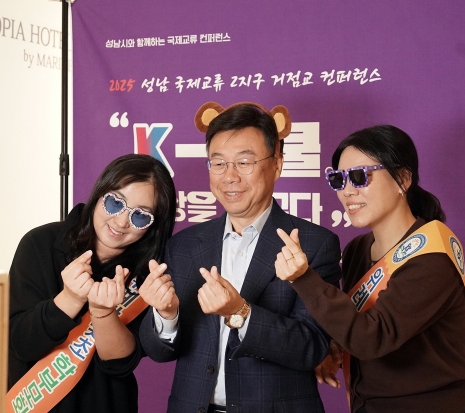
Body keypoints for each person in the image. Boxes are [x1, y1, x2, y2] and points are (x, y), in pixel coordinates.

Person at [138, 101, 342, 413]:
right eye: (218, 163)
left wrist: (241, 312)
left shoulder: (313, 244)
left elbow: (312, 347)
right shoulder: (184, 246)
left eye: (244, 162)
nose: (229, 176)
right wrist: (166, 315)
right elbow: (160, 352)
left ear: (277, 165)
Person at [275, 125, 465, 413]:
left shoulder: (432, 254)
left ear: (402, 179)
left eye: (359, 176)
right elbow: (356, 322)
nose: (347, 191)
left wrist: (304, 278)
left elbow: (371, 338)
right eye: (338, 179)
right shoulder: (358, 249)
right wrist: (335, 348)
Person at [7, 154, 176, 413]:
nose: (121, 222)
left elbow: (119, 364)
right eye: (115, 203)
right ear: (99, 194)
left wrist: (104, 313)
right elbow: (21, 343)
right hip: (32, 403)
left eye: (140, 216)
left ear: (153, 226)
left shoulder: (150, 274)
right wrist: (70, 299)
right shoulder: (40, 243)